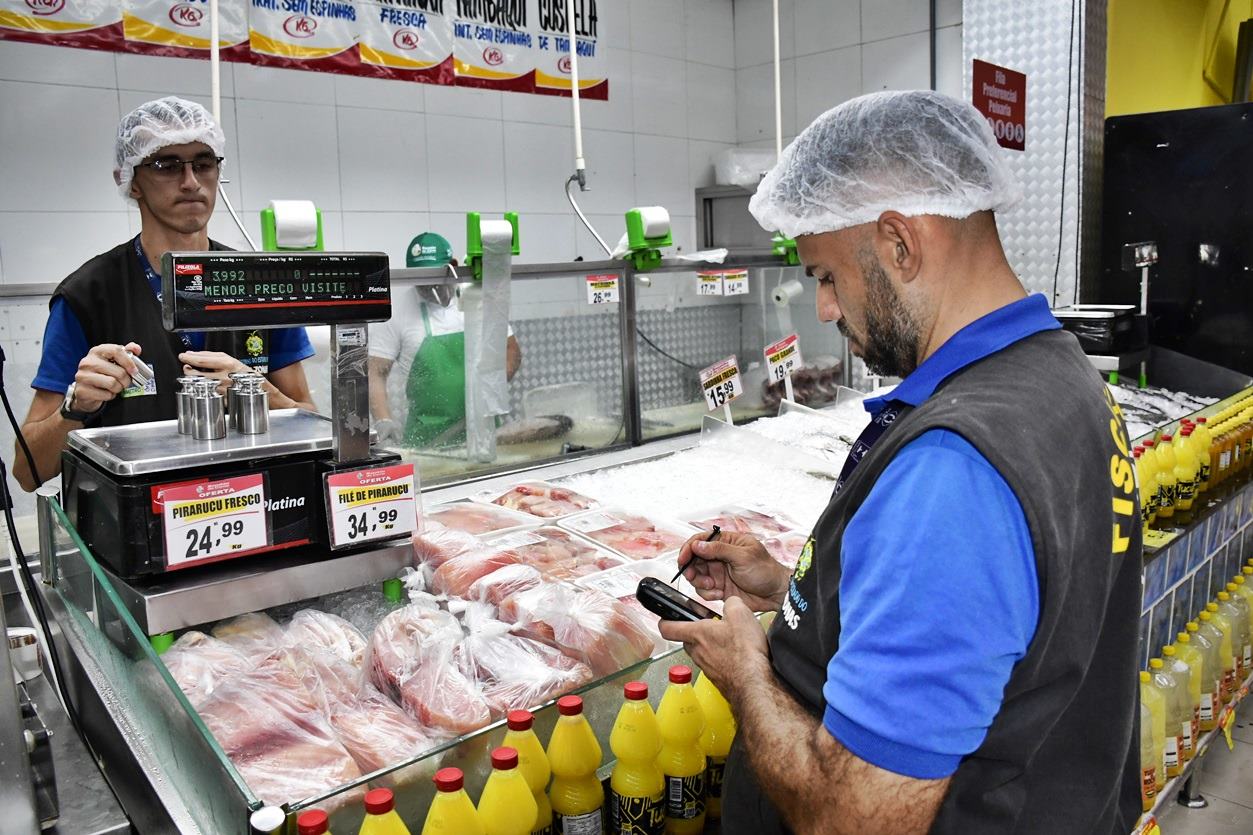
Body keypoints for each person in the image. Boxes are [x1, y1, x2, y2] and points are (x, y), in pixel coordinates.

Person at [661, 91, 1142, 834]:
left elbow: (853, 818)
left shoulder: (954, 468)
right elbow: (992, 627)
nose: (822, 309)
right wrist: (801, 592)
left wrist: (746, 673)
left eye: (825, 275)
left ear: (898, 244)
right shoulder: (1057, 376)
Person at [13, 97, 316, 492]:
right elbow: (27, 472)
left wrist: (257, 391)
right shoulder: (87, 296)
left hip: (255, 513)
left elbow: (309, 419)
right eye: (167, 165)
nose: (190, 181)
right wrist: (76, 407)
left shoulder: (258, 284)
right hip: (141, 529)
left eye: (203, 163)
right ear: (131, 180)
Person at [368, 231, 521, 447]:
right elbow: (375, 372)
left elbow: (510, 349)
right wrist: (383, 420)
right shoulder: (396, 311)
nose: (428, 286)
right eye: (421, 278)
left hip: (484, 435)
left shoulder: (477, 298)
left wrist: (492, 383)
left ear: (453, 265)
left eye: (433, 276)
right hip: (428, 442)